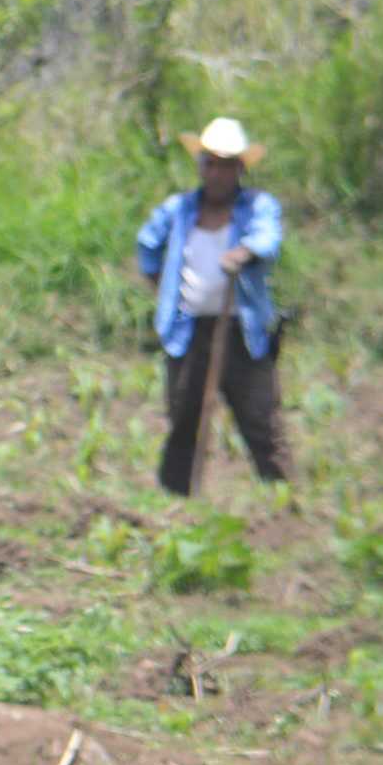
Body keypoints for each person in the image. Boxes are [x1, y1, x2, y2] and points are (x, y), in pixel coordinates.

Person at [134, 116, 289, 495]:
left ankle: (282, 499)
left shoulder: (256, 207)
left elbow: (268, 238)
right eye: (210, 164)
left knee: (260, 419)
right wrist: (163, 287)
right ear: (202, 166)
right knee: (184, 416)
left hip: (242, 330)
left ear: (239, 169)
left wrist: (245, 252)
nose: (217, 173)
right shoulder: (180, 209)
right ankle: (177, 500)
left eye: (226, 165)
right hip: (189, 331)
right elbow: (147, 244)